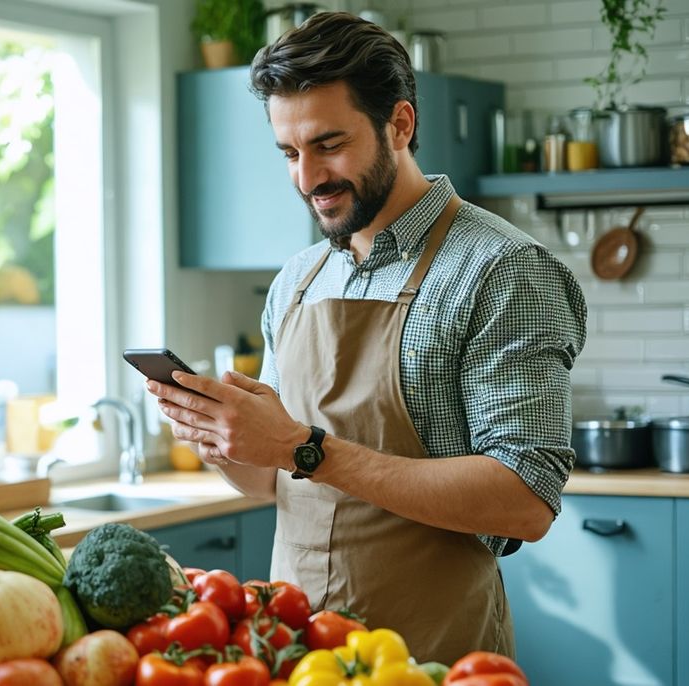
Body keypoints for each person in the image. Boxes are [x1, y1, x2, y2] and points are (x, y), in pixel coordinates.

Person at [146, 12, 586, 664]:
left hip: (431, 658)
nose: (307, 178)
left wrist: (302, 447)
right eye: (290, 153)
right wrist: (224, 439)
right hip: (297, 658)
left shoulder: (501, 270)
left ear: (400, 124)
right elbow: (278, 482)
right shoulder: (298, 278)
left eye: (329, 144)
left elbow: (524, 501)